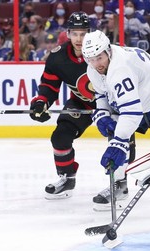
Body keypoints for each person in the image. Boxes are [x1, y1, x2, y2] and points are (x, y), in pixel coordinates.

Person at [81, 30, 150, 211]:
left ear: (108, 51)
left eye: (99, 58)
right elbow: (102, 92)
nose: (95, 64)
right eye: (90, 59)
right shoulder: (93, 68)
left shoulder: (120, 68)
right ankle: (119, 185)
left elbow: (132, 113)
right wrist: (102, 112)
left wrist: (119, 142)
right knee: (115, 128)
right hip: (142, 99)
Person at [29, 12, 98, 201]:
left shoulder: (101, 52)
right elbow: (49, 86)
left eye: (83, 34)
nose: (78, 39)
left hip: (109, 103)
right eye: (74, 33)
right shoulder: (57, 57)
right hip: (81, 102)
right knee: (60, 136)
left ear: (89, 33)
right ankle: (67, 178)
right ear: (67, 33)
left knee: (121, 139)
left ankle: (120, 182)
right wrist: (41, 102)